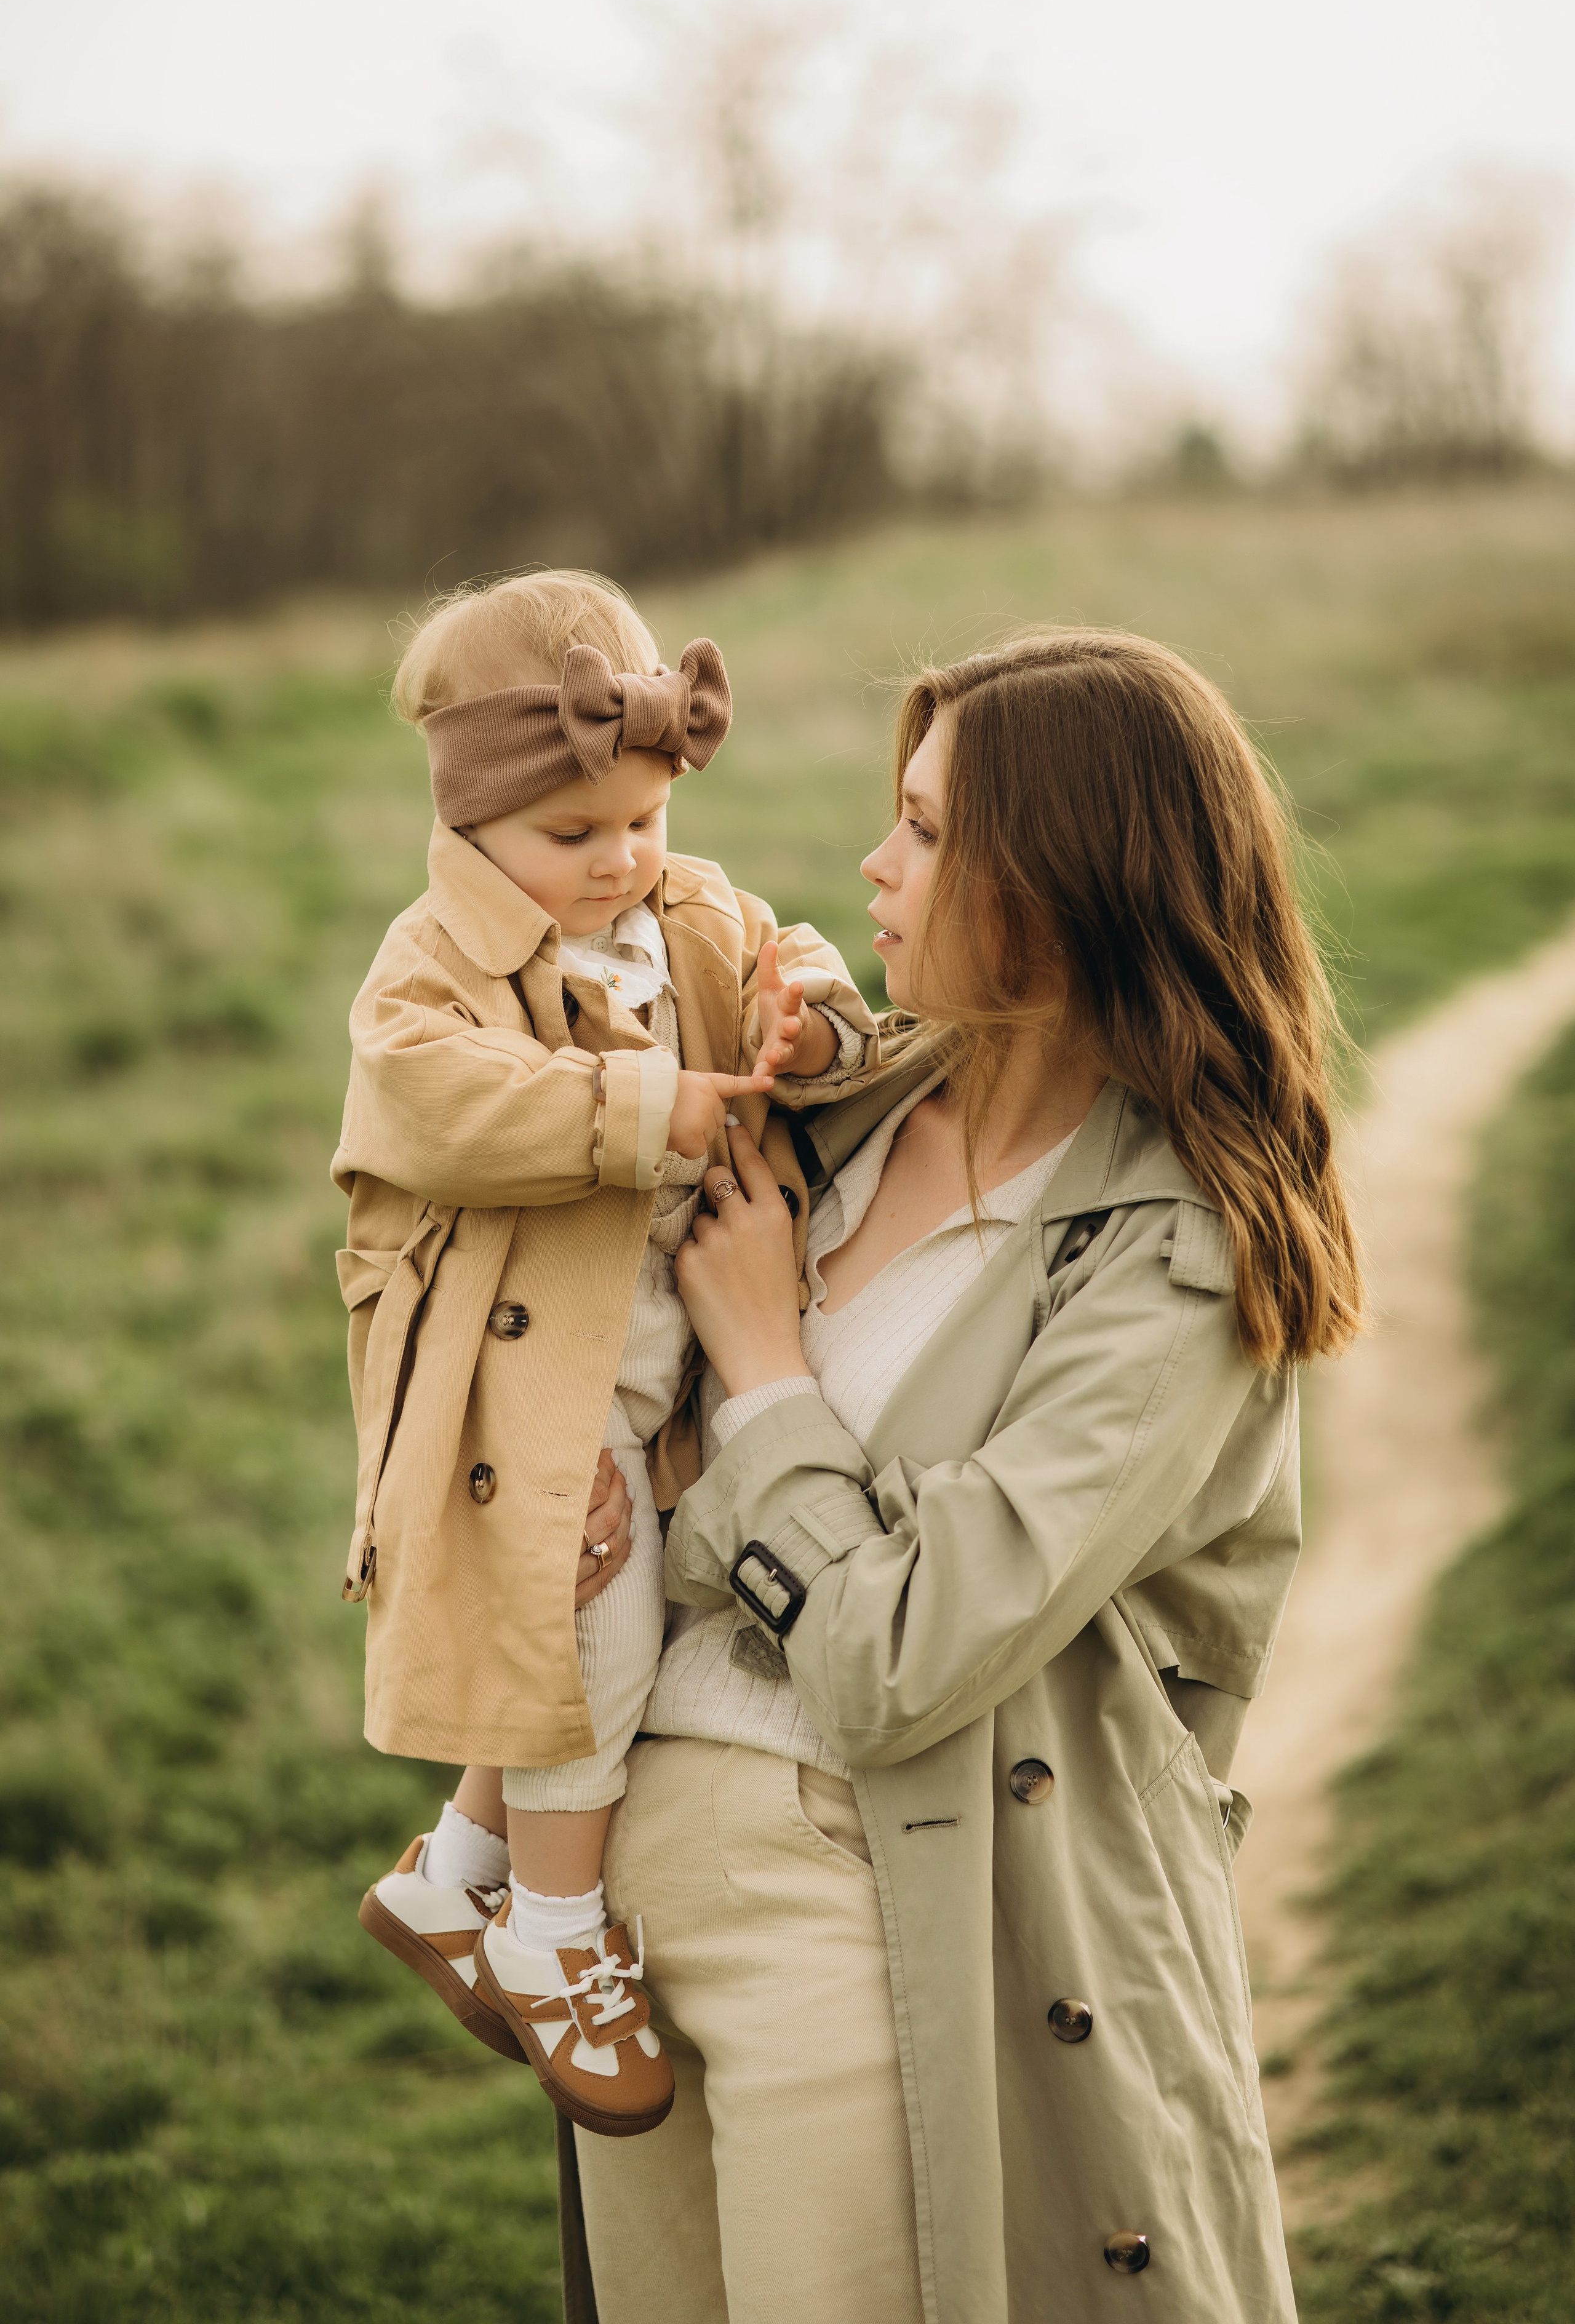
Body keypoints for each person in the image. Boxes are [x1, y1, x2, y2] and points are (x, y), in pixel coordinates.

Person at [564, 630, 1362, 2322]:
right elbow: (626, 1423)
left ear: (1059, 887)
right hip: (626, 1911)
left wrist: (765, 1379)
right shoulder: (841, 1110)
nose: (875, 862)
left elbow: (899, 1658)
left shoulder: (1177, 1250)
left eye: (926, 832)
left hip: (863, 1903)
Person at [332, 570, 882, 2137]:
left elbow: (793, 958)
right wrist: (646, 1112)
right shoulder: (429, 967)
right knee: (590, 1647)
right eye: (574, 839)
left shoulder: (682, 912)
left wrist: (812, 1023)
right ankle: (551, 1936)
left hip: (644, 1376)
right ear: (469, 828)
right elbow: (432, 1097)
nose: (620, 861)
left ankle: (453, 1879)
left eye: (640, 820)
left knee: (559, 1637)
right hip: (524, 1393)